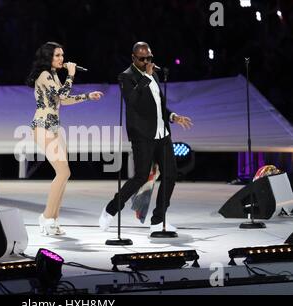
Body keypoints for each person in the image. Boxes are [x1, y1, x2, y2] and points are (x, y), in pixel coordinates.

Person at [99, 42, 193, 233]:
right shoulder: (126, 76)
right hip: (142, 135)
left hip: (162, 133)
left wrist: (173, 116)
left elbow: (158, 106)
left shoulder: (155, 75)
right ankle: (110, 209)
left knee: (170, 175)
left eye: (149, 58)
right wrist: (147, 77)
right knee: (141, 176)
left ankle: (158, 220)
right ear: (134, 58)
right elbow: (132, 101)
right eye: (142, 59)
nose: (147, 62)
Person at [26, 42, 103, 236]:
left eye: (62, 55)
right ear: (48, 58)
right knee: (62, 172)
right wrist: (71, 74)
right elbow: (63, 94)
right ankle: (45, 217)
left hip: (54, 127)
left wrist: (87, 96)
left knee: (64, 174)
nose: (62, 59)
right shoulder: (45, 75)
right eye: (57, 55)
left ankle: (53, 219)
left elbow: (64, 100)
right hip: (43, 127)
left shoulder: (53, 76)